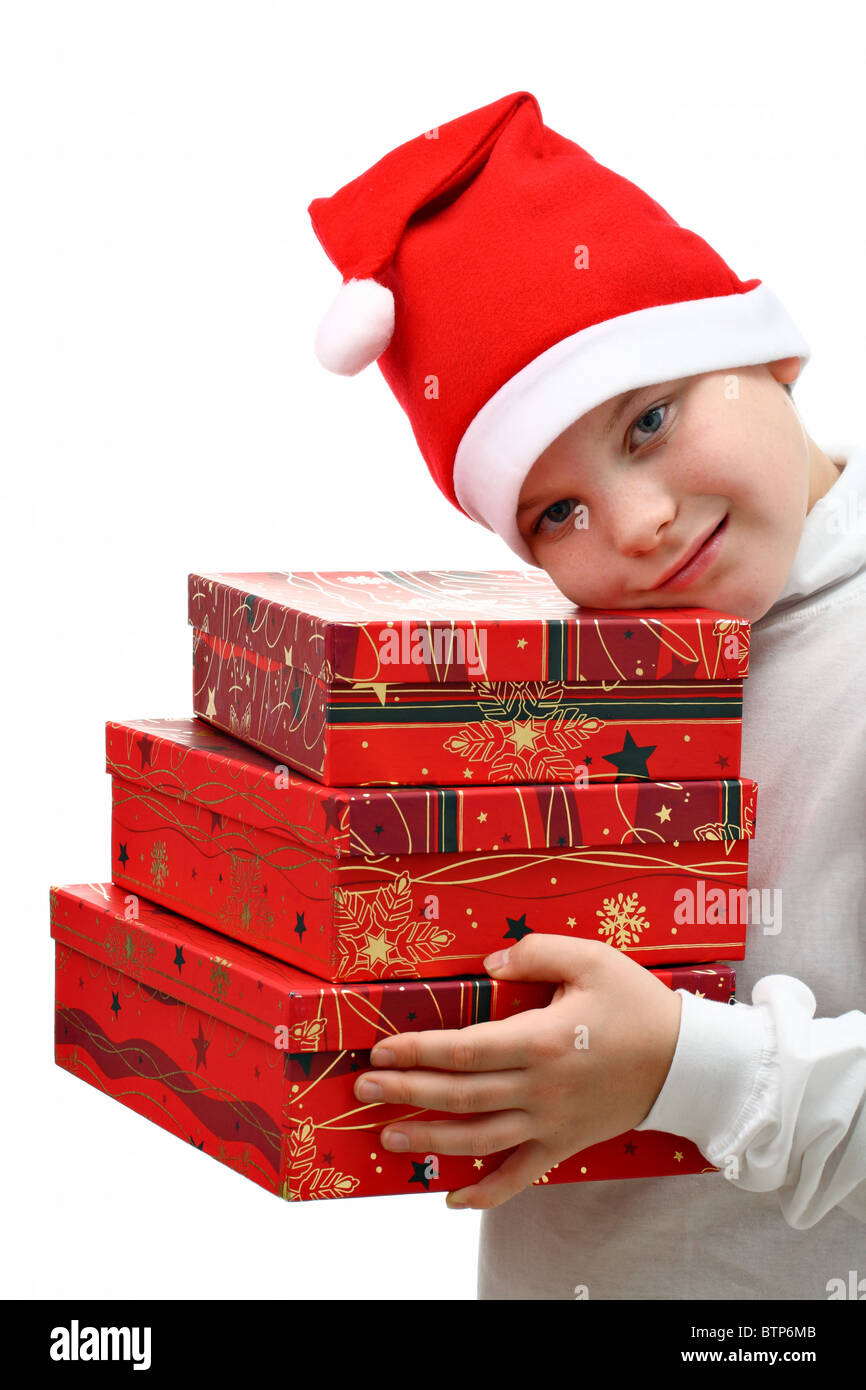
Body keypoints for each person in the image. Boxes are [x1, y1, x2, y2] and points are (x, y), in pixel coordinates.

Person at [308, 90, 866, 1299]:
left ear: (768, 350)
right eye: (554, 512)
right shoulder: (555, 691)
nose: (637, 523)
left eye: (649, 419)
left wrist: (685, 1069)